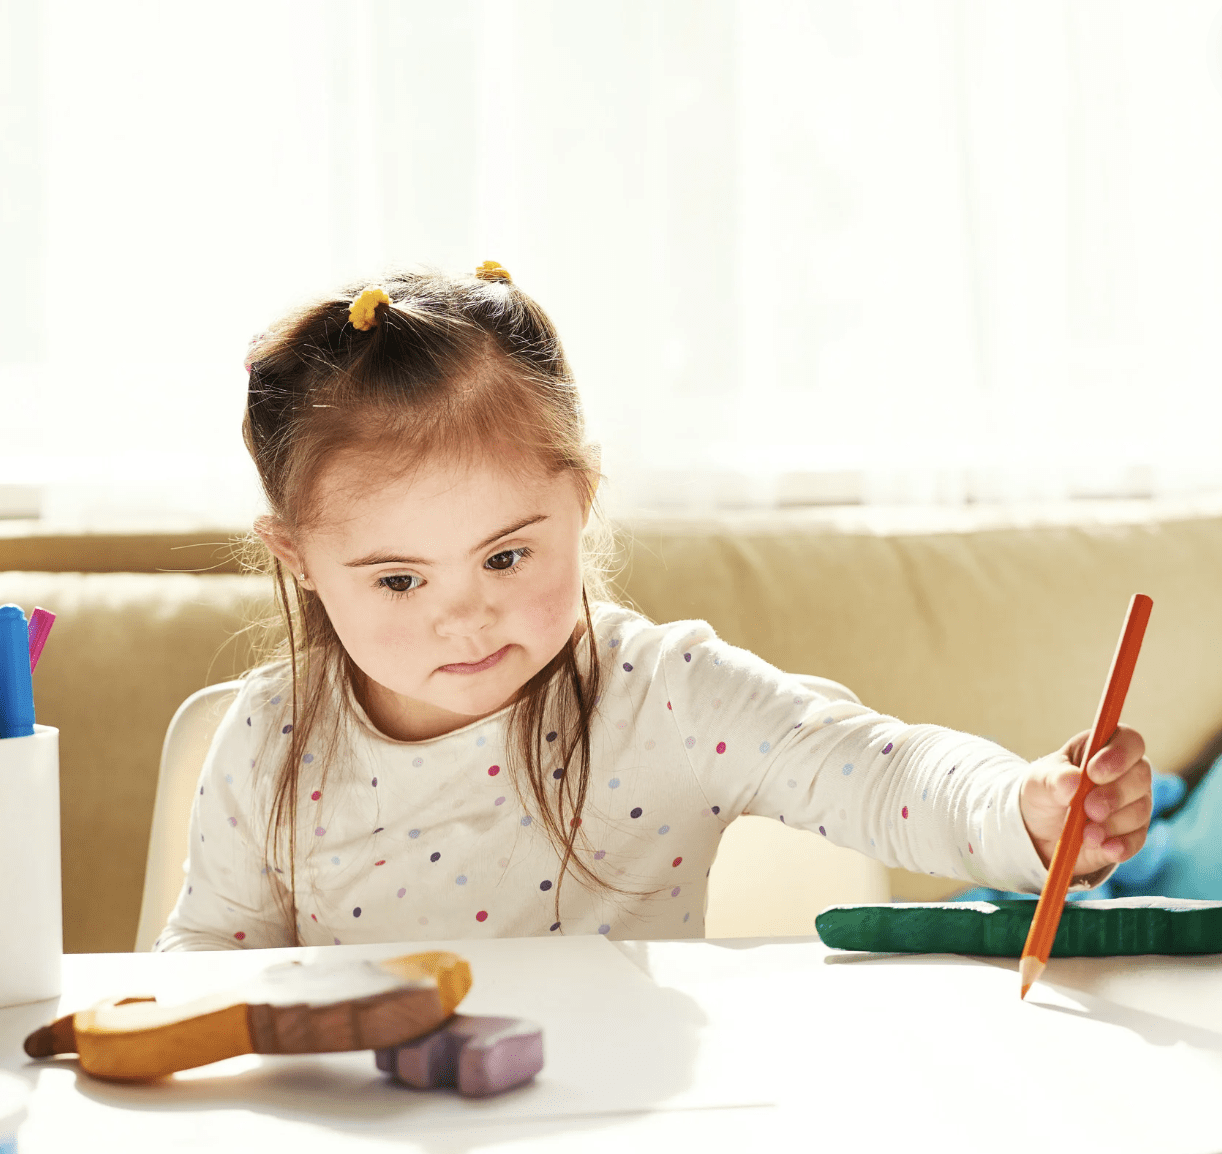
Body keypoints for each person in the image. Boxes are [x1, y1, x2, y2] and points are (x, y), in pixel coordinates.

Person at [155, 263, 1152, 950]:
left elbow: (884, 775)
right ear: (297, 560)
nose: (465, 619)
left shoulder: (663, 695)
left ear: (580, 501)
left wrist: (1024, 807)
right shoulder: (270, 738)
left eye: (506, 556)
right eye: (400, 580)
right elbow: (208, 967)